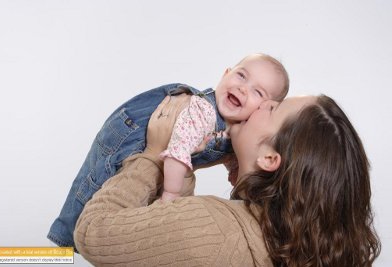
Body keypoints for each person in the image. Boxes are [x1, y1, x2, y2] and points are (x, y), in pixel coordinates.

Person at [74, 94, 380, 266]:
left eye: (272, 108)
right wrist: (179, 162)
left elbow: (92, 233)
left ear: (270, 158)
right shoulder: (283, 244)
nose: (261, 101)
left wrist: (153, 154)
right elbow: (169, 240)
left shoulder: (214, 227)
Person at [48, 53, 290, 250]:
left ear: (266, 108)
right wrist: (172, 196)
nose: (243, 89)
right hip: (132, 134)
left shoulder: (240, 129)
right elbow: (178, 152)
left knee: (134, 214)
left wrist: (234, 170)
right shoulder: (202, 112)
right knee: (95, 186)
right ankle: (65, 239)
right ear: (225, 74)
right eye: (241, 76)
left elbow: (230, 149)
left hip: (162, 150)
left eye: (258, 92)